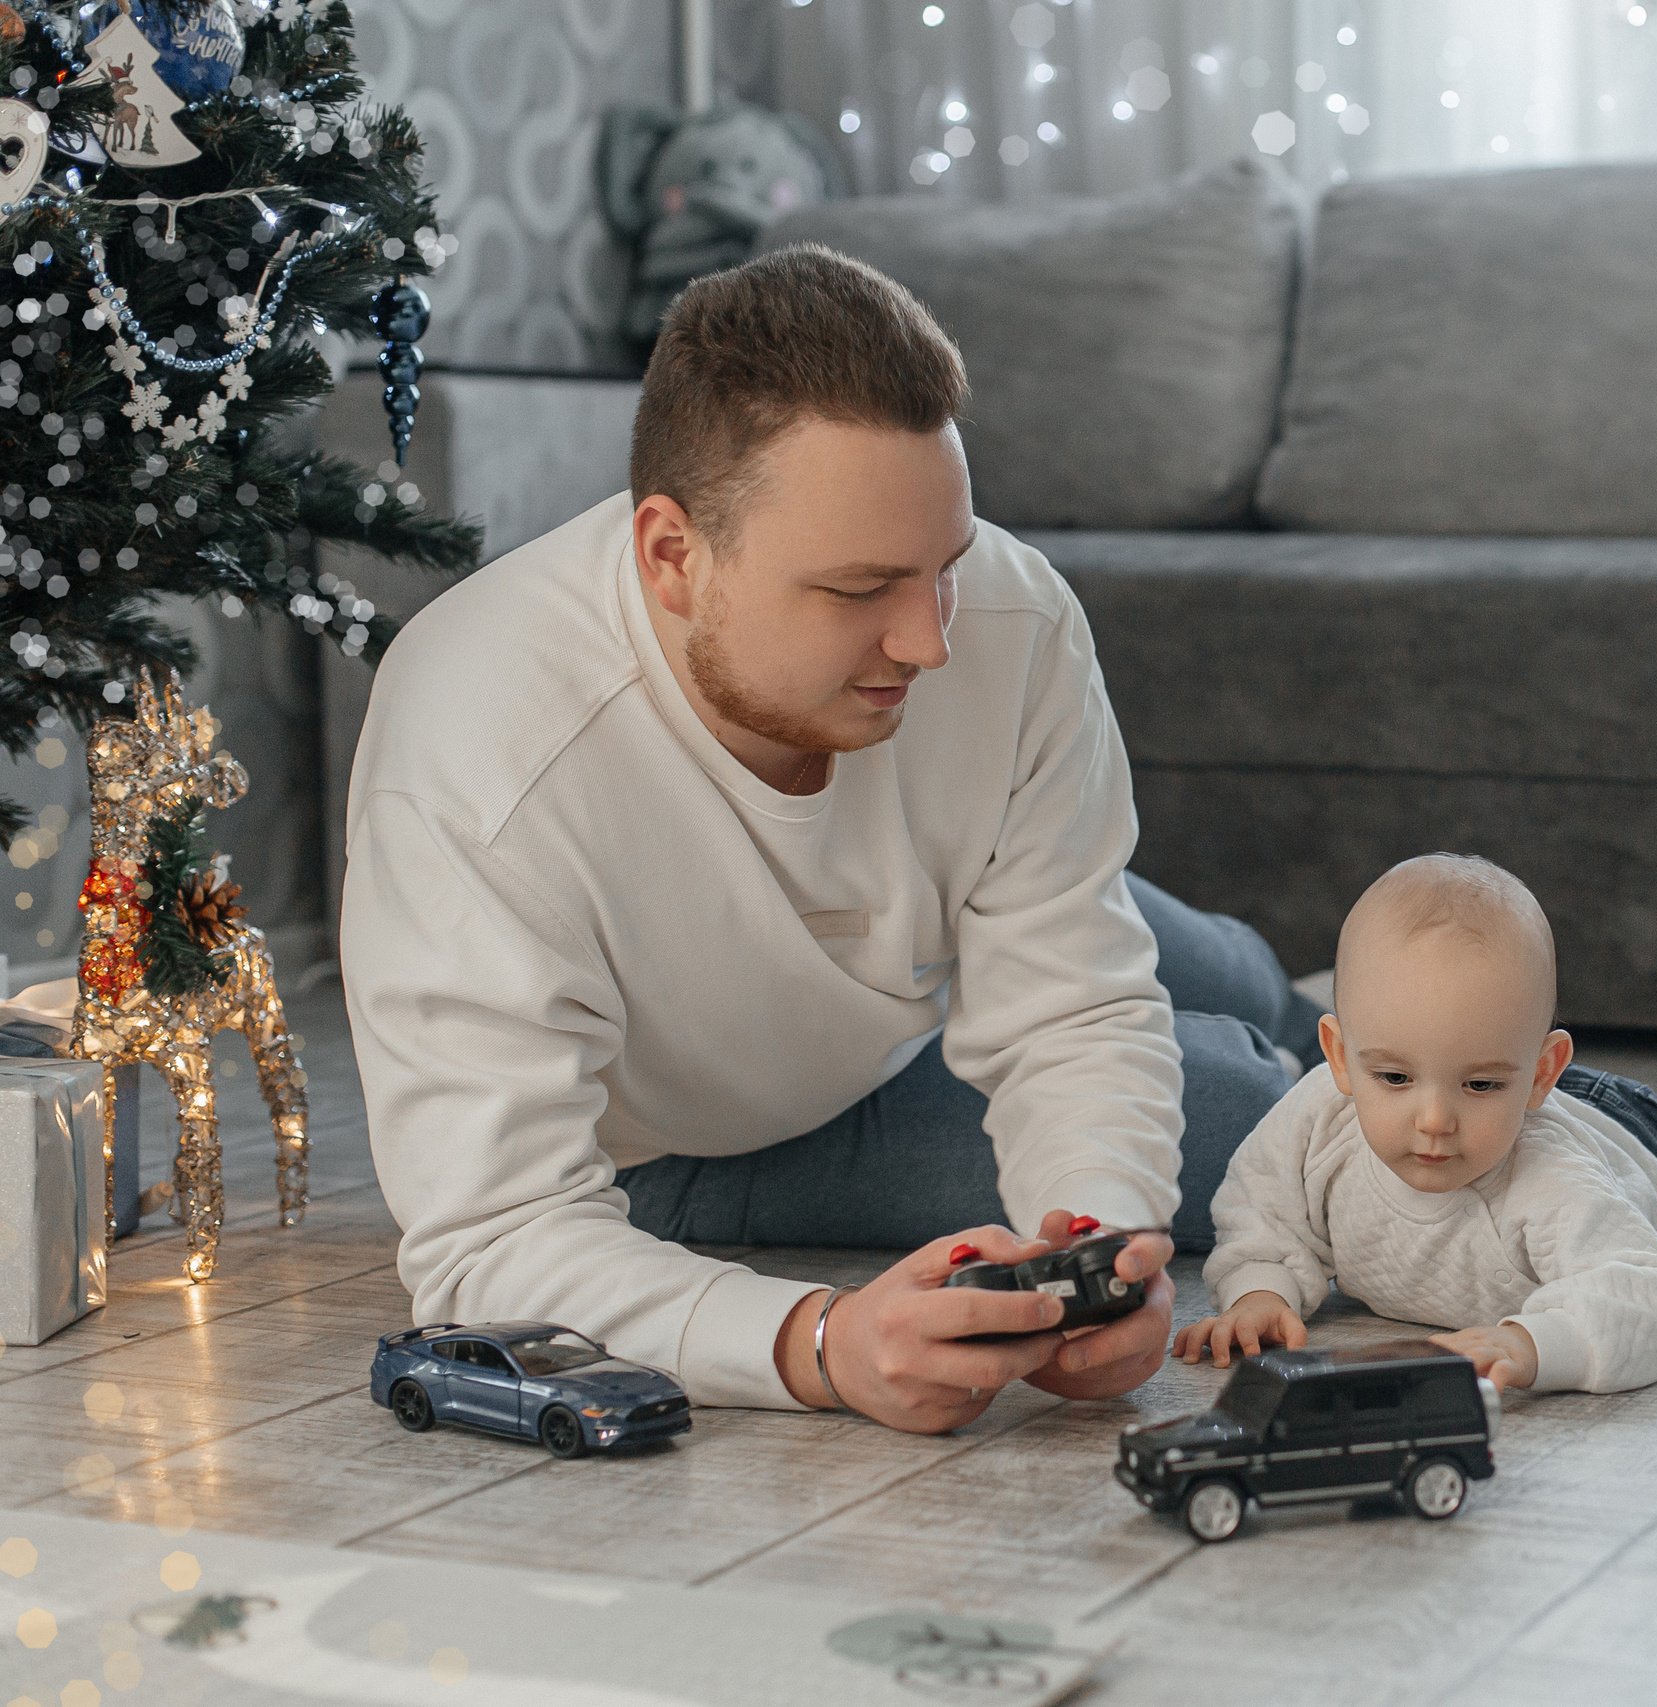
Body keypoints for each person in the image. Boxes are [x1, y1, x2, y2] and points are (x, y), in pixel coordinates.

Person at [340, 245, 1318, 1433]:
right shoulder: (475, 753)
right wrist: (821, 1344)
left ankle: (1321, 1005)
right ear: (672, 557)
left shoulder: (1012, 619)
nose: (930, 643)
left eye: (942, 567)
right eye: (860, 590)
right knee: (1301, 1130)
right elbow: (492, 1235)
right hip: (698, 1140)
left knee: (1236, 982)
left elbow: (1072, 1006)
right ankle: (1399, 1063)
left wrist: (1093, 1240)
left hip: (934, 942)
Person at [1174, 855, 1657, 1393]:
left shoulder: (1560, 1185)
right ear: (1339, 1057)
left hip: (1639, 1147)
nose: (1435, 1119)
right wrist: (1259, 1289)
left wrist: (1535, 1345)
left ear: (1540, 1072)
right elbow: (1261, 1205)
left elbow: (1647, 1297)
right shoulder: (1316, 1114)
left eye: (1478, 1083)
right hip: (1535, 1099)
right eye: (1394, 1077)